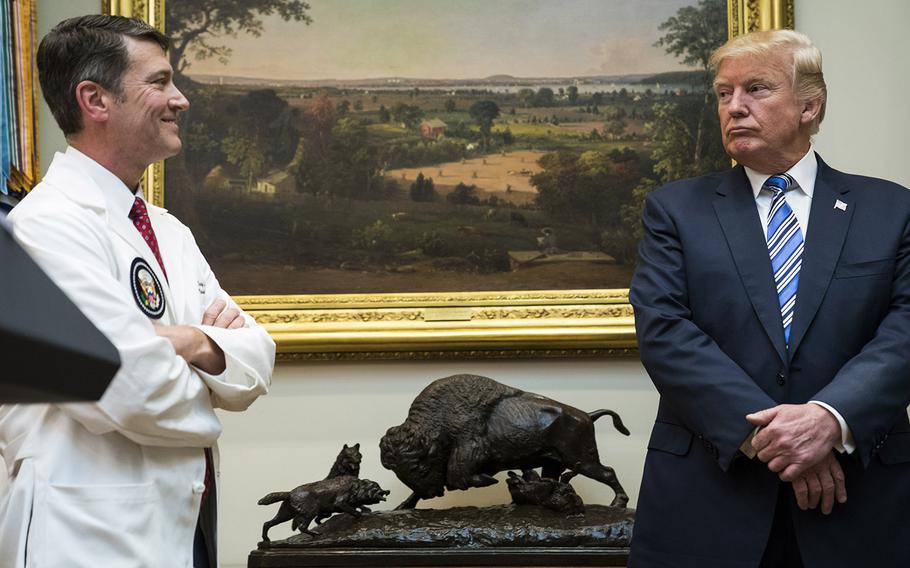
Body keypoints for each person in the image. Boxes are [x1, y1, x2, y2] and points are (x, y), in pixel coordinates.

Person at [0, 15, 275, 567]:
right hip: (88, 537)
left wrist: (185, 341)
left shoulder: (168, 230)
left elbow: (258, 360)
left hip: (185, 526)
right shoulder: (41, 228)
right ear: (95, 99)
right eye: (159, 81)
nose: (181, 100)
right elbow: (126, 384)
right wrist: (205, 353)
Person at [629, 29, 910, 567]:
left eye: (756, 89)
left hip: (862, 504)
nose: (734, 107)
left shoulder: (891, 210)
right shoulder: (674, 211)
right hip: (710, 500)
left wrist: (830, 419)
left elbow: (905, 328)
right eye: (722, 93)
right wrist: (777, 442)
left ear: (810, 105)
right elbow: (664, 330)